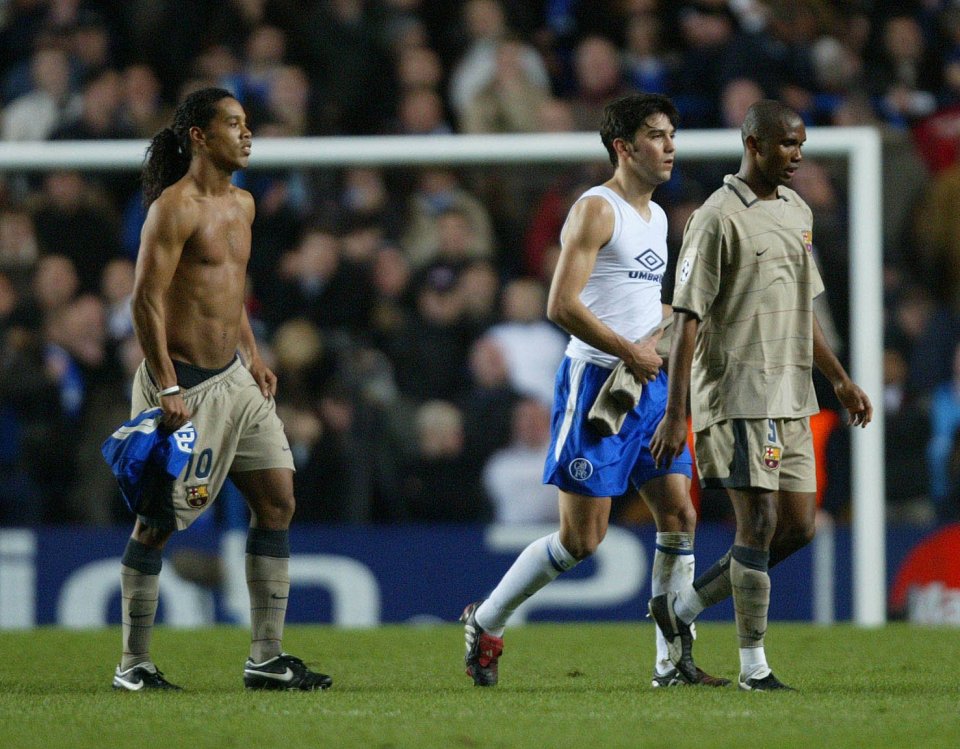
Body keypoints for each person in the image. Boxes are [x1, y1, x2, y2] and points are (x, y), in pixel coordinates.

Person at [460, 93, 729, 689]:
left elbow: (635, 302)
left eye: (673, 136)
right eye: (657, 136)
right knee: (582, 539)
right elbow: (561, 304)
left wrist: (682, 320)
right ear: (623, 147)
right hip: (596, 385)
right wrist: (628, 349)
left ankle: (671, 663)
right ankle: (488, 619)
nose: (670, 148)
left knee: (679, 513)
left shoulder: (657, 217)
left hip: (651, 384)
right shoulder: (595, 210)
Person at [110, 87, 331, 692]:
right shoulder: (174, 209)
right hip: (183, 386)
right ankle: (133, 665)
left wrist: (253, 354)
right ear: (200, 137)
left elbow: (229, 290)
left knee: (278, 501)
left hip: (234, 380)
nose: (247, 133)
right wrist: (167, 384)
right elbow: (145, 300)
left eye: (248, 123)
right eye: (233, 124)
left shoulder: (245, 205)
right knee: (156, 523)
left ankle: (266, 657)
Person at [648, 99, 873, 692]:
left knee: (798, 528)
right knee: (759, 523)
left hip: (794, 394)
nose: (798, 155)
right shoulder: (715, 217)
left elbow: (803, 309)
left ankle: (682, 609)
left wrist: (840, 379)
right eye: (787, 145)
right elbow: (687, 319)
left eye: (801, 144)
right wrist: (678, 412)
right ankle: (755, 667)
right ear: (754, 145)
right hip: (737, 391)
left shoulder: (798, 211)